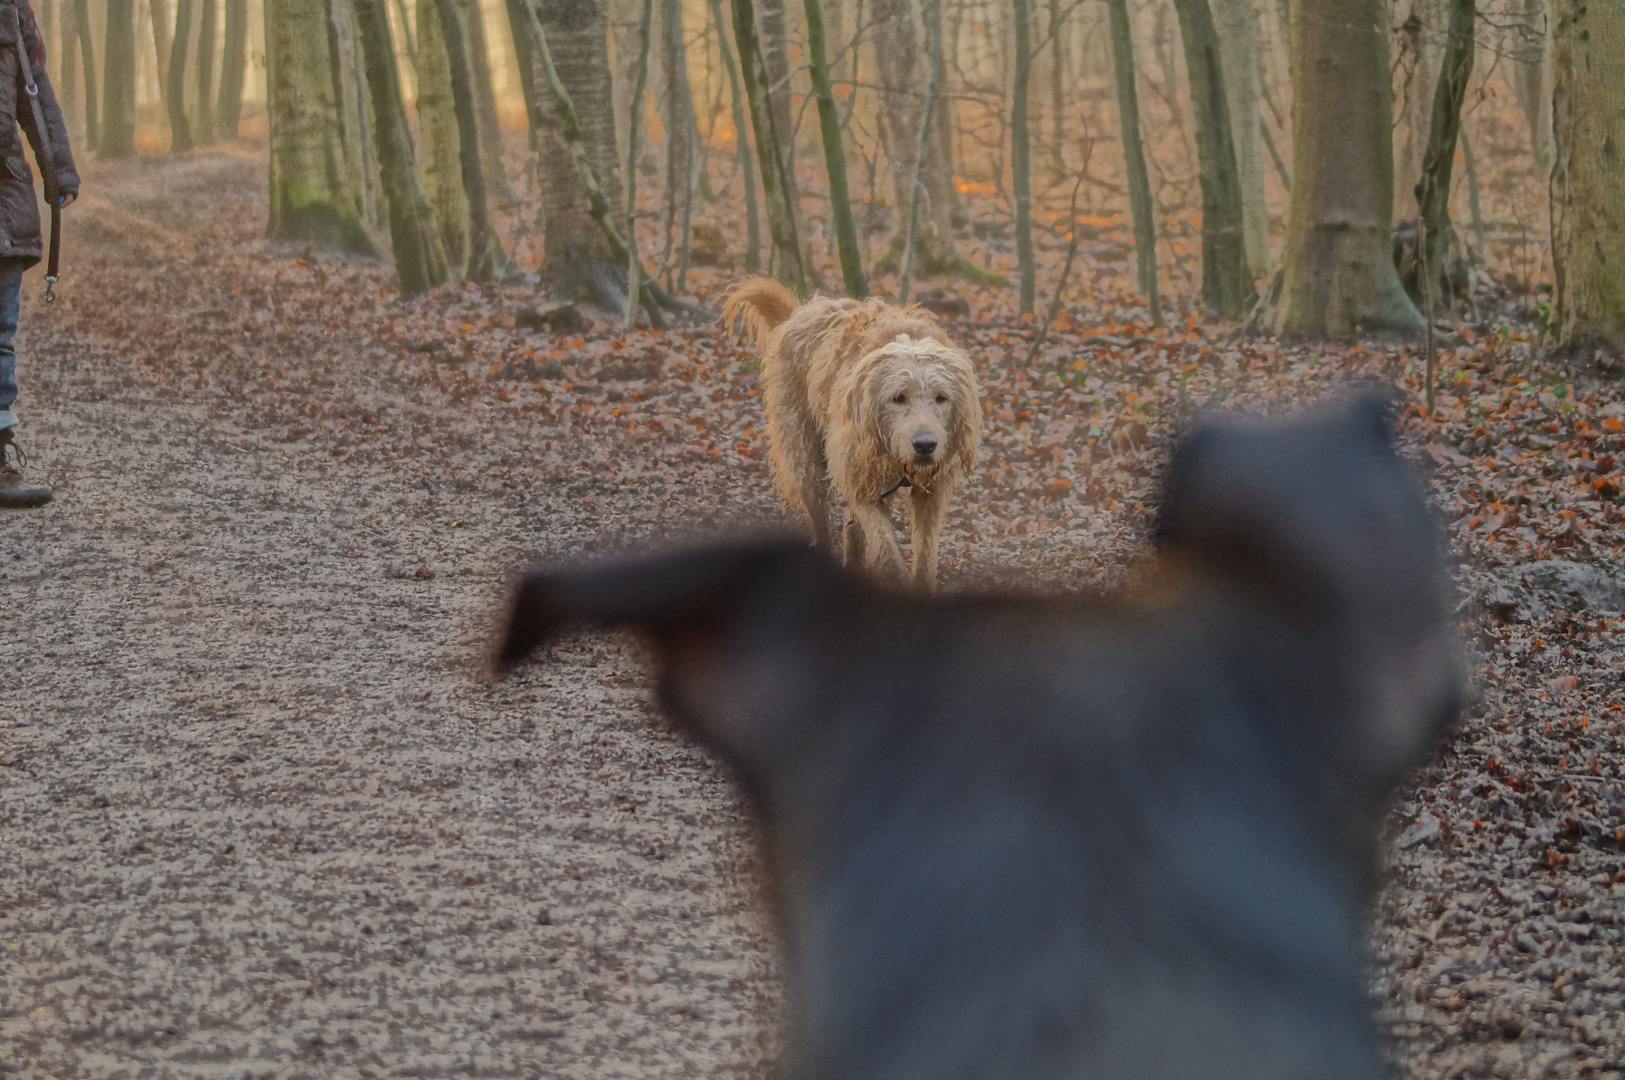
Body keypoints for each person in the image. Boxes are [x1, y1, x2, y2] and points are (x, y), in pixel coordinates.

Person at [0, 0, 77, 509]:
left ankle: (0, 459)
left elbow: (35, 90)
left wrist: (59, 170)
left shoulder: (12, 11)